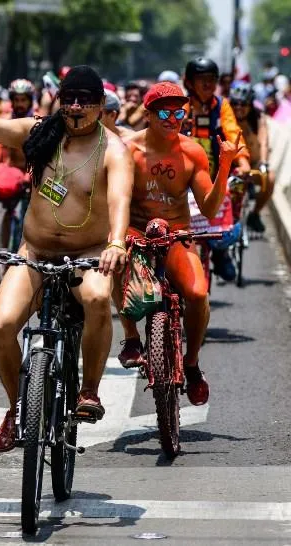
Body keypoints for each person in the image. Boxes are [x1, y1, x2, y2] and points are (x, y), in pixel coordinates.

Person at [0, 29, 133, 451]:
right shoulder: (39, 132)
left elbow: (119, 201)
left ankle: (89, 391)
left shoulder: (113, 149)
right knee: (1, 326)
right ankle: (17, 406)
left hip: (89, 254)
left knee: (98, 300)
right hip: (36, 252)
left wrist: (116, 243)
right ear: (59, 99)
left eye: (86, 99)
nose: (76, 106)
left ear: (100, 105)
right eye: (69, 97)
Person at [113, 82, 241, 405]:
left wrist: (224, 165)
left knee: (198, 294)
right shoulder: (128, 150)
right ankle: (130, 337)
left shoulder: (193, 151)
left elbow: (210, 209)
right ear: (148, 115)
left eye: (180, 112)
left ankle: (193, 363)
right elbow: (116, 199)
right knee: (116, 258)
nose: (174, 119)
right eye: (166, 113)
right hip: (137, 234)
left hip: (177, 236)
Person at [181, 57, 250, 281]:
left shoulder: (222, 105)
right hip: (183, 173)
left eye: (212, 79)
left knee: (232, 192)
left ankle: (220, 250)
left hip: (214, 173)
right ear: (189, 82)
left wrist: (243, 162)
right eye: (202, 79)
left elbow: (232, 133)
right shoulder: (181, 105)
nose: (208, 84)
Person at [0, 79, 36, 254]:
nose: (20, 104)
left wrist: (30, 174)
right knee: (7, 212)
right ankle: (4, 251)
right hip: (12, 176)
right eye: (17, 100)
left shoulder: (37, 122)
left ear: (30, 100)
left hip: (32, 176)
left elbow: (39, 153)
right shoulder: (6, 121)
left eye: (24, 100)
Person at [228, 81, 274, 233]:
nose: (238, 108)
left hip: (253, 164)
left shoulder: (258, 118)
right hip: (232, 166)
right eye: (235, 104)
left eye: (243, 104)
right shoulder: (226, 116)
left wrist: (264, 163)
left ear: (250, 104)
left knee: (270, 178)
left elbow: (264, 140)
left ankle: (255, 214)